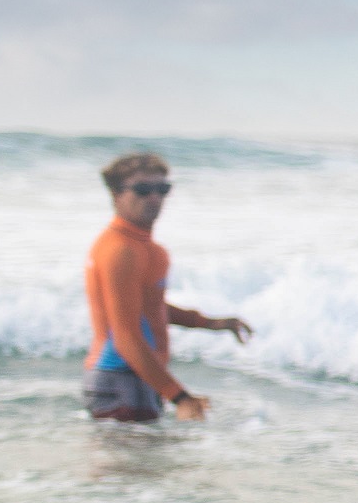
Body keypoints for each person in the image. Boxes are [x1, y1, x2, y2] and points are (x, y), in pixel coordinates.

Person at [82, 152, 252, 423]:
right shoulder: (119, 250)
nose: (154, 198)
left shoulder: (147, 249)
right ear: (116, 194)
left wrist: (211, 323)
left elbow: (150, 309)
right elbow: (125, 334)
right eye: (142, 190)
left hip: (141, 376)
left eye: (162, 189)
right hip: (119, 378)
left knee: (147, 465)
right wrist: (179, 397)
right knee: (129, 465)